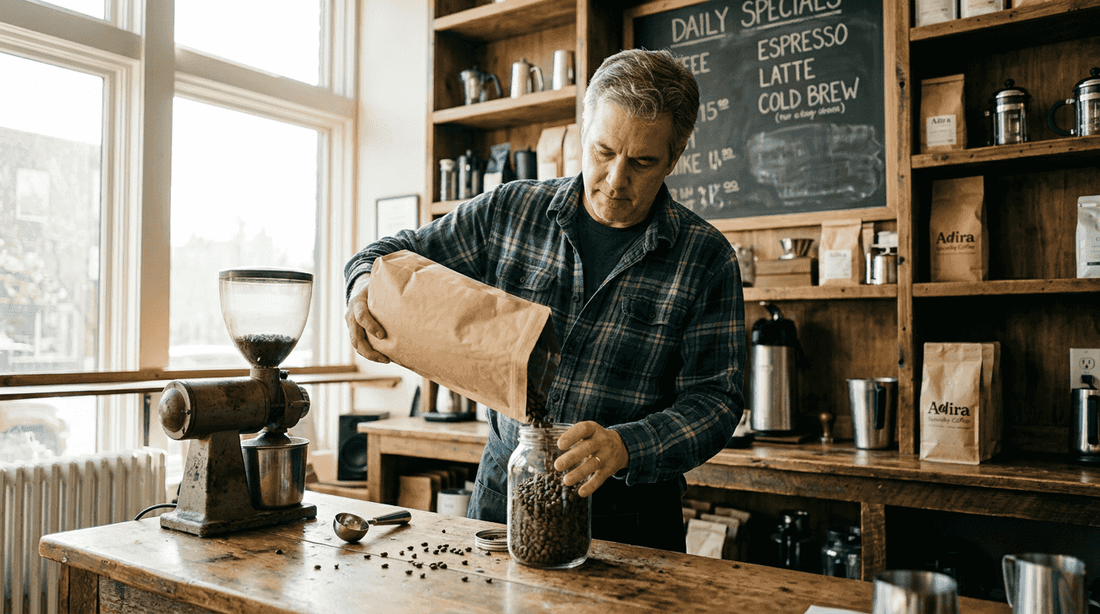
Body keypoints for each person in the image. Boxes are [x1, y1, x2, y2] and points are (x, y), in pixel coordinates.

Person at [345, 48, 745, 553]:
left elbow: (716, 400)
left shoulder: (706, 257)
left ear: (676, 155)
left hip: (630, 515)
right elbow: (387, 253)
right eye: (603, 151)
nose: (617, 180)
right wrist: (363, 286)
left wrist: (626, 446)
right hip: (503, 494)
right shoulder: (511, 211)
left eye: (643, 162)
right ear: (583, 130)